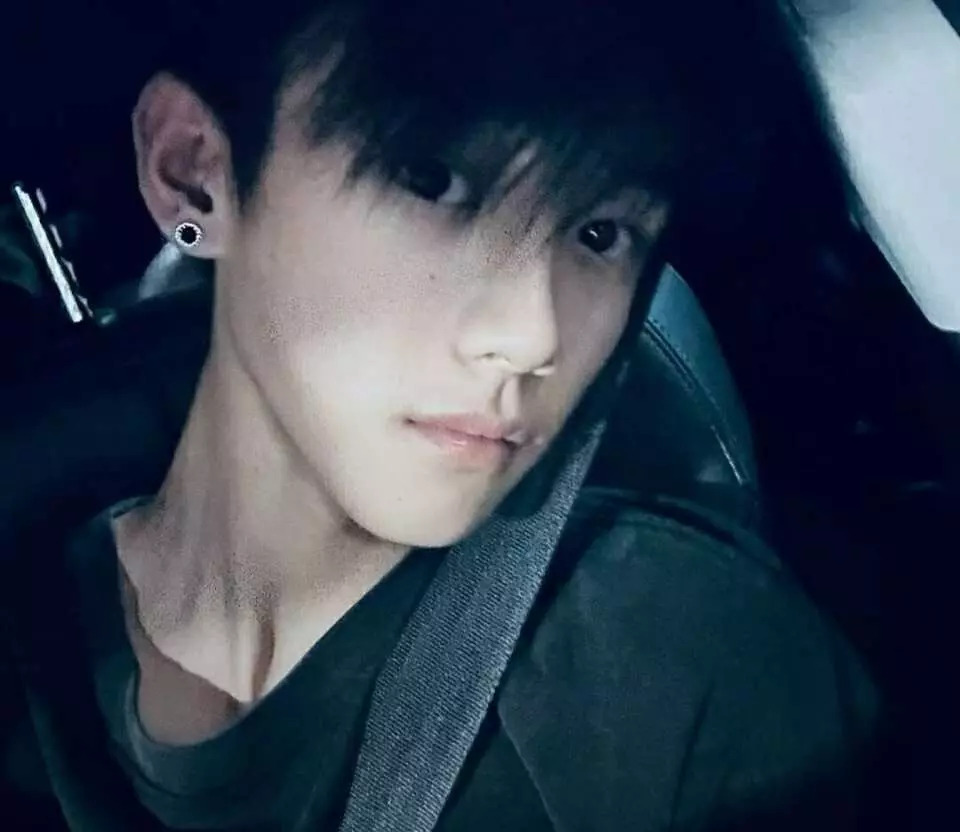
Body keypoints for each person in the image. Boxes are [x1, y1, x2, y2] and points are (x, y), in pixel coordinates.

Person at [0, 0, 879, 829]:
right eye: (433, 179)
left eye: (602, 233)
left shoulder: (676, 664)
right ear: (195, 173)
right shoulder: (30, 640)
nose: (533, 335)